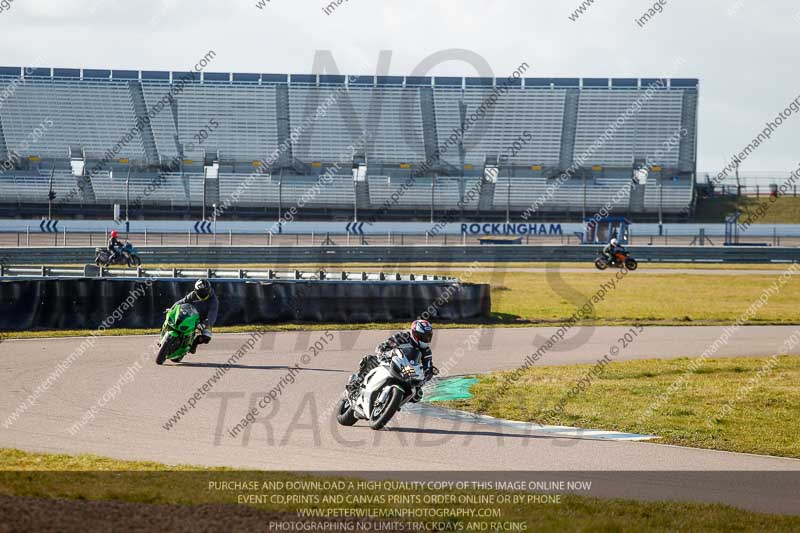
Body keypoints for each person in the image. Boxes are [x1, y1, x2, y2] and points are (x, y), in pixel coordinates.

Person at [356, 319, 434, 402]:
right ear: (414, 333)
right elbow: (384, 345)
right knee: (370, 360)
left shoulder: (426, 351)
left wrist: (425, 377)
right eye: (423, 336)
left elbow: (428, 367)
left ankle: (393, 402)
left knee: (417, 395)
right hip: (391, 361)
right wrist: (383, 352)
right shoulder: (403, 337)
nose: (426, 339)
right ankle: (356, 384)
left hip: (408, 371)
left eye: (428, 336)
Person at [171, 278, 219, 353]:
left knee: (207, 337)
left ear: (209, 290)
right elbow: (182, 301)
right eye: (200, 292)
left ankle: (194, 344)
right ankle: (164, 336)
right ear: (196, 291)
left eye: (204, 292)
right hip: (190, 315)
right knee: (173, 319)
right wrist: (172, 309)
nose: (203, 294)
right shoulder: (193, 294)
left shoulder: (214, 301)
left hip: (204, 320)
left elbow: (212, 315)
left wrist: (205, 324)